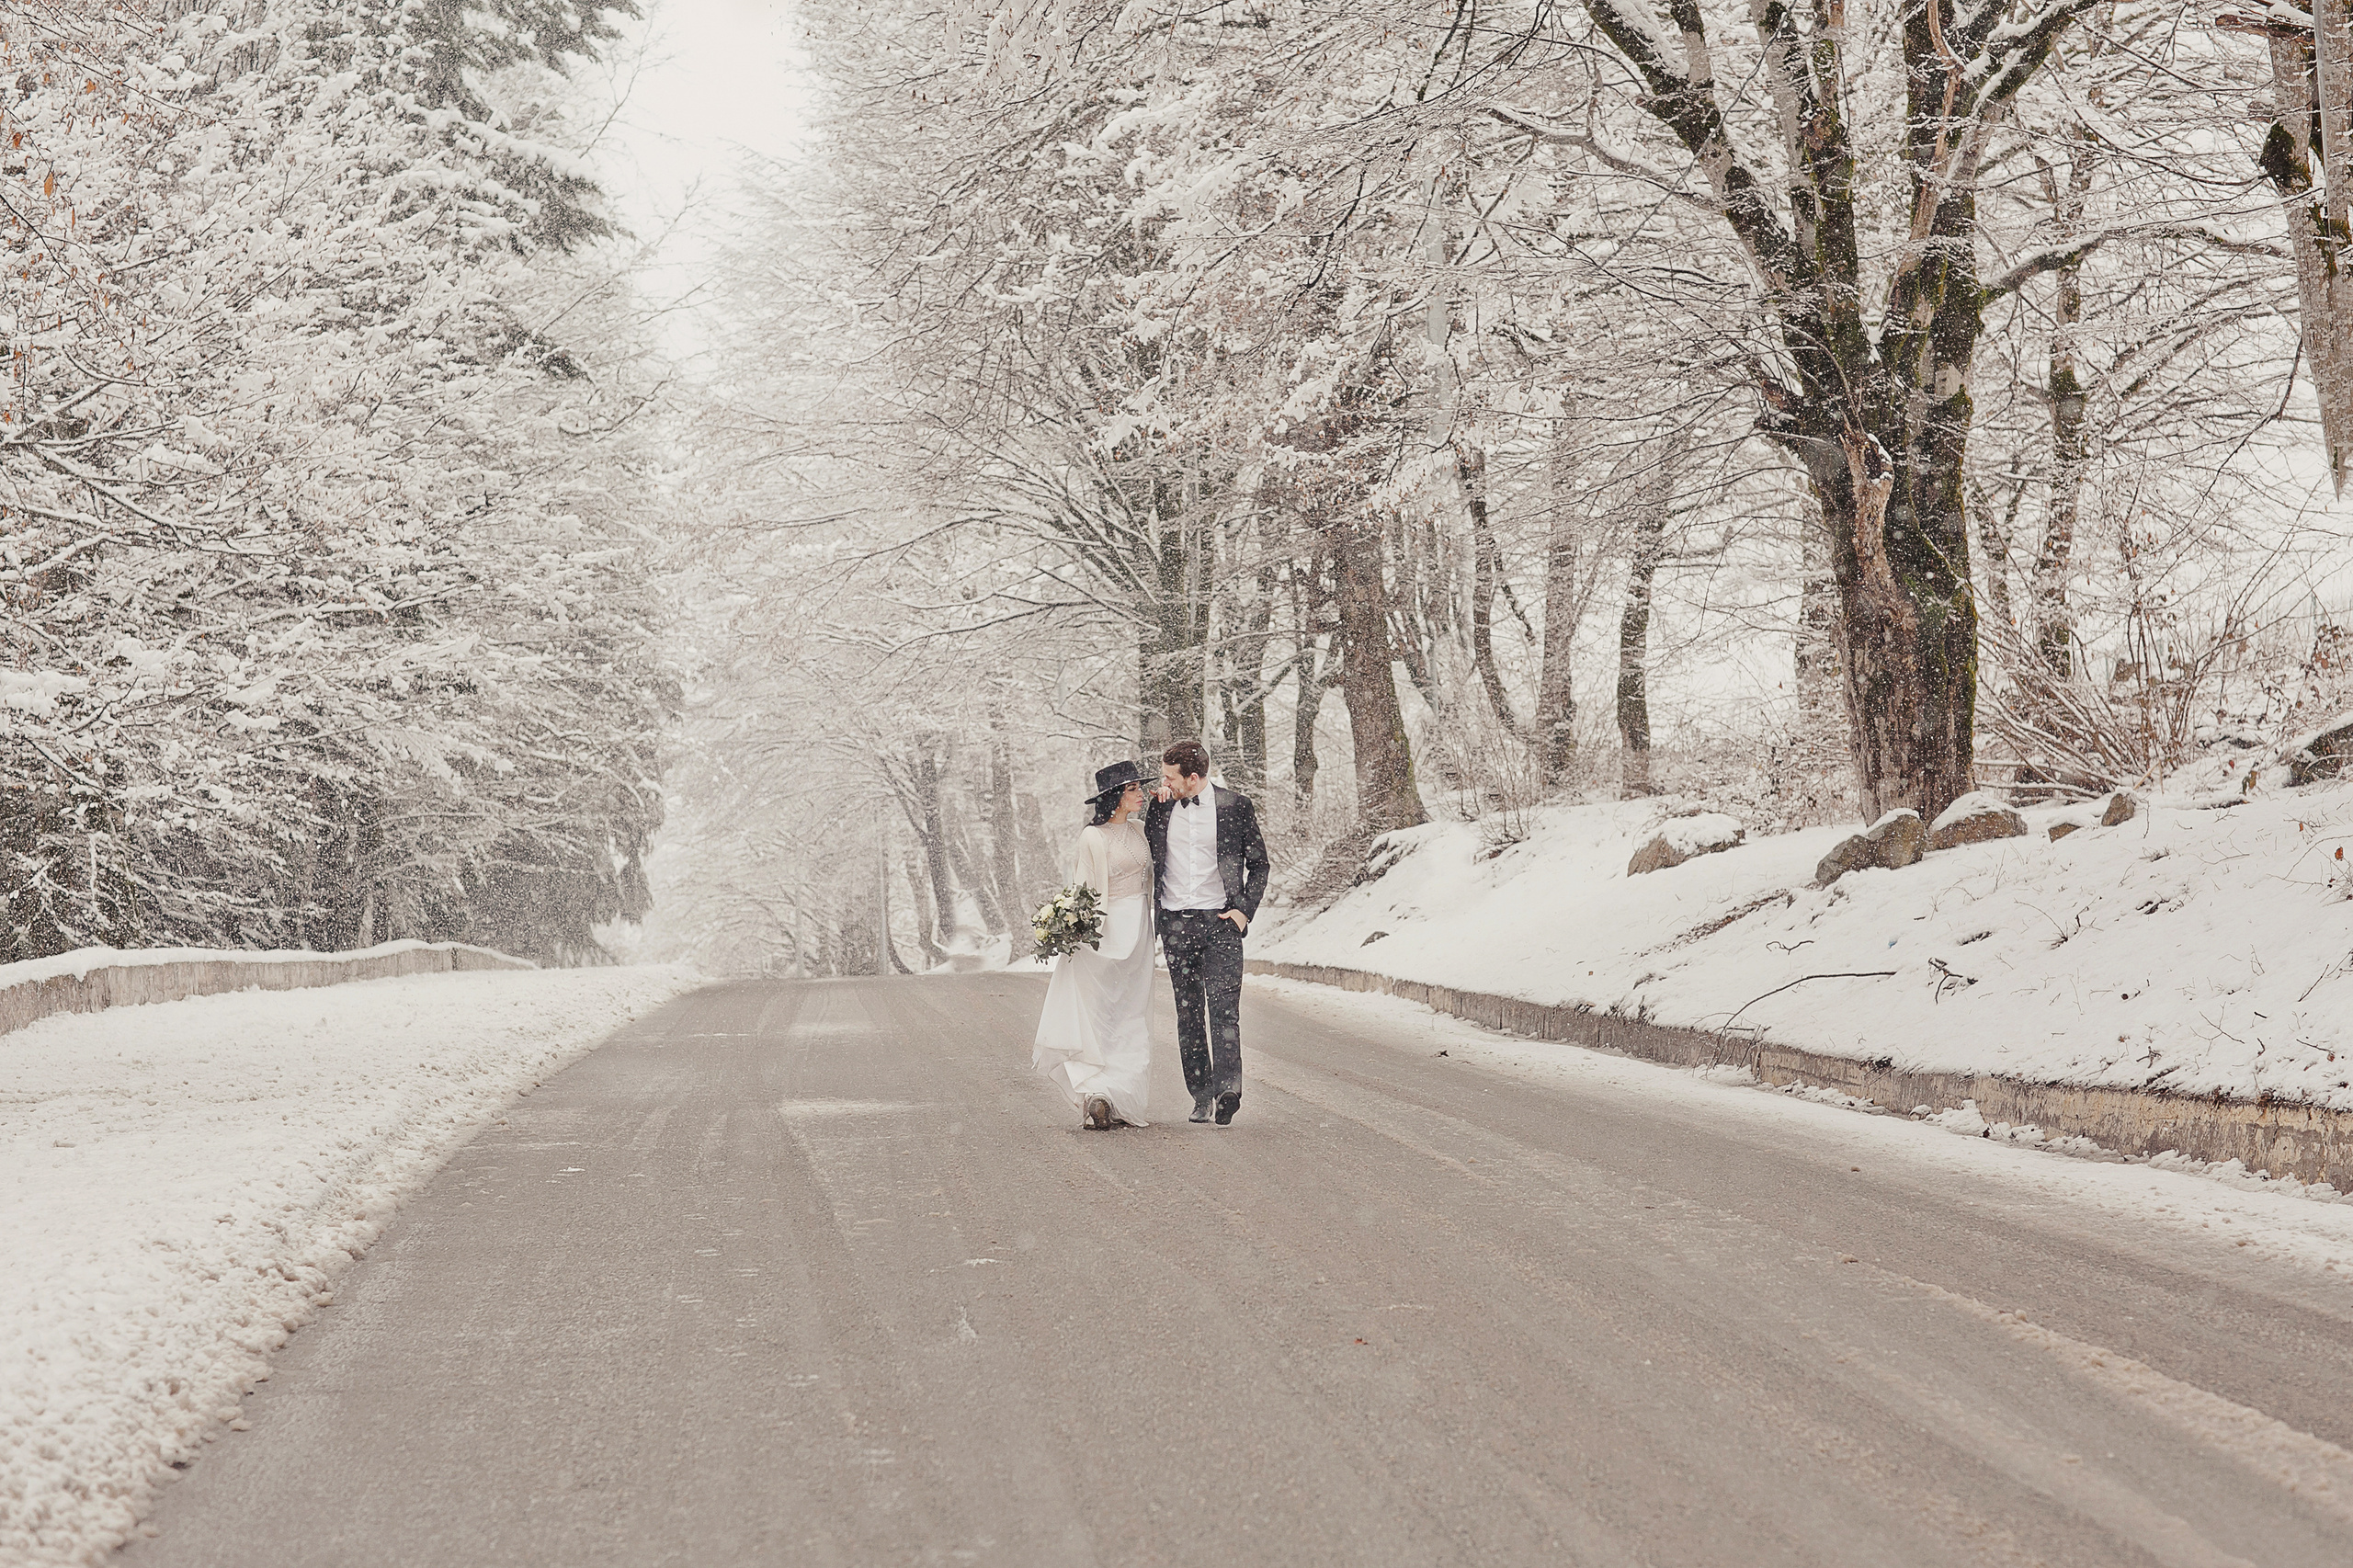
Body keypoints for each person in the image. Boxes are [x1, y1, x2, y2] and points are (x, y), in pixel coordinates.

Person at [1143, 739, 1271, 1125]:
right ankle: (1200, 1095)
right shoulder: (1161, 808)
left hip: (1220, 923)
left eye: (1169, 775)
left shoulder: (1236, 806)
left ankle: (1228, 1090)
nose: (1162, 781)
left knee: (1224, 1010)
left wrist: (1243, 912)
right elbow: (1142, 853)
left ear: (1193, 777)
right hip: (1176, 924)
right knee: (1189, 1013)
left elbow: (1260, 864)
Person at [1031, 760, 1159, 1130]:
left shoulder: (1139, 829)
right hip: (1106, 934)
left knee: (1132, 1015)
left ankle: (1122, 1095)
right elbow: (1085, 889)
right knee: (1101, 1012)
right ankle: (1098, 1093)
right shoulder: (1092, 837)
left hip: (1138, 932)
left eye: (1140, 788)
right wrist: (1078, 929)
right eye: (1134, 789)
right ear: (1115, 797)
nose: (1141, 794)